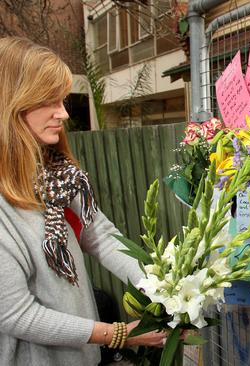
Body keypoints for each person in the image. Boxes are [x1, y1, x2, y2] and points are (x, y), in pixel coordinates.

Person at [0, 37, 167, 365]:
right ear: (11, 103)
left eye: (61, 100)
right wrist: (116, 334)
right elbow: (15, 314)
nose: (62, 113)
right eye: (49, 100)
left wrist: (159, 286)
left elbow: (101, 237)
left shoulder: (57, 176)